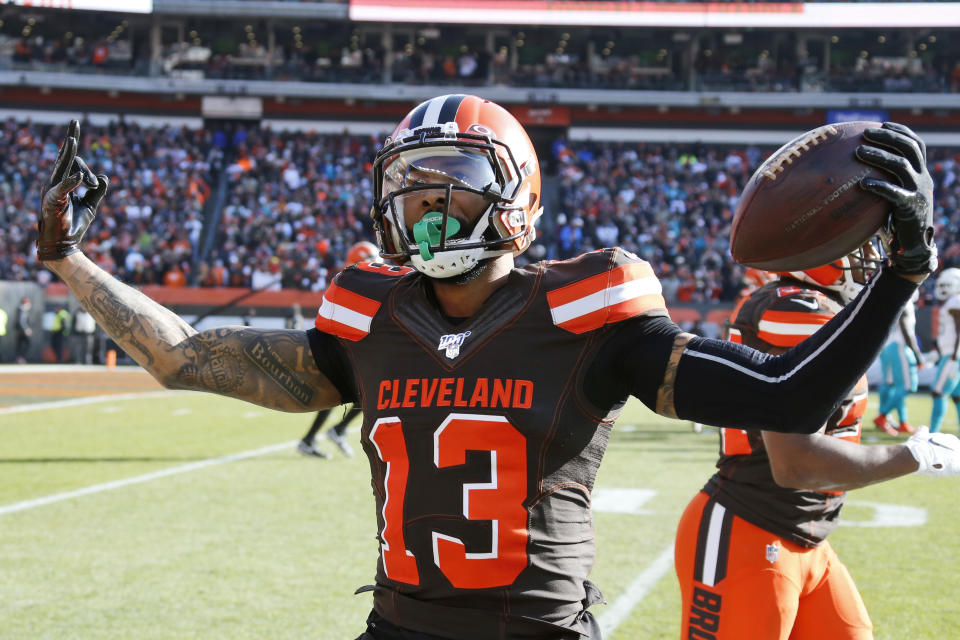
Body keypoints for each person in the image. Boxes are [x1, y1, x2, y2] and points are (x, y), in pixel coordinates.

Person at [37, 104, 944, 640]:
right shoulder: (370, 313)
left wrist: (900, 275)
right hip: (399, 629)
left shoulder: (590, 310)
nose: (426, 209)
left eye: (451, 188)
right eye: (412, 190)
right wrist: (68, 259)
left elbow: (789, 396)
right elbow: (186, 357)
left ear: (514, 200)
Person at [675, 251, 960, 640]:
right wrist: (916, 456)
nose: (869, 255)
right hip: (752, 528)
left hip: (804, 534)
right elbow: (796, 463)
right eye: (856, 242)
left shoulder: (812, 304)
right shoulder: (797, 307)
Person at [298, 240, 379, 459]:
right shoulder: (350, 285)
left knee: (342, 396)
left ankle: (316, 437)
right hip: (341, 351)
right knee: (364, 395)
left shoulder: (350, 282)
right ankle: (332, 432)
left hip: (344, 351)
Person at [873, 290, 923, 436]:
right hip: (899, 346)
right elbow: (907, 330)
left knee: (892, 385)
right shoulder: (906, 303)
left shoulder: (892, 299)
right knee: (908, 386)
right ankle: (882, 416)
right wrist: (918, 355)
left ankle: (903, 422)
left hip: (887, 345)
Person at [929, 267, 960, 433]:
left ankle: (932, 434)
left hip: (953, 356)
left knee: (938, 393)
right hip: (953, 355)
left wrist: (954, 357)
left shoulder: (955, 301)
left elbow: (959, 329)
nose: (943, 288)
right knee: (957, 397)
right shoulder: (954, 301)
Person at [15, 297, 32, 364]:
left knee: (20, 344)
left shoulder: (20, 309)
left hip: (20, 330)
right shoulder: (23, 310)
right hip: (22, 331)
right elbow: (22, 321)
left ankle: (19, 358)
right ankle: (21, 358)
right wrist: (26, 329)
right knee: (26, 344)